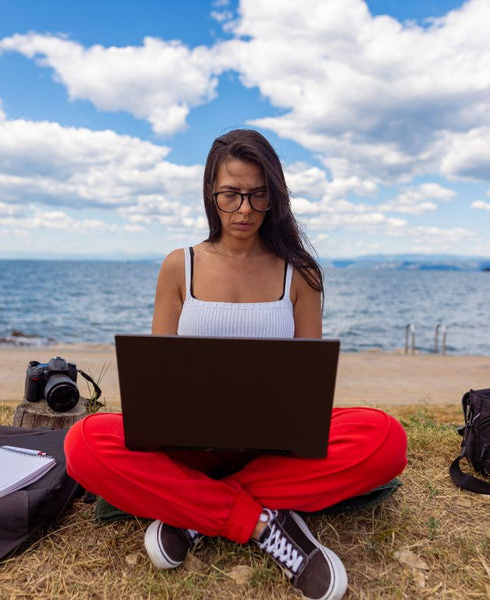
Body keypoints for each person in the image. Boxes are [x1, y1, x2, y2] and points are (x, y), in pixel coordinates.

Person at [64, 129, 407, 600]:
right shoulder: (177, 265)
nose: (244, 209)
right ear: (211, 193)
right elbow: (158, 379)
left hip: (274, 451)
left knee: (386, 440)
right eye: (231, 195)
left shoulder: (300, 274)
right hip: (188, 447)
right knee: (83, 443)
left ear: (275, 197)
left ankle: (194, 514)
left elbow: (309, 388)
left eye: (258, 195)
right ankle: (265, 522)